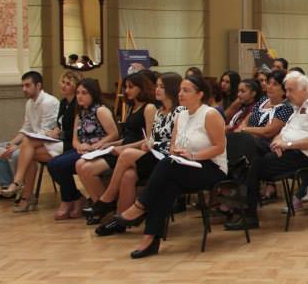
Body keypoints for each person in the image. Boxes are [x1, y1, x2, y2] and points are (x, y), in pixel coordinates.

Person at [109, 75, 228, 258]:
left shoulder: (210, 114)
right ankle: (150, 239)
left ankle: (140, 206)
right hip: (185, 165)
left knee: (166, 166)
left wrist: (193, 156)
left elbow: (219, 147)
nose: (180, 94)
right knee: (167, 185)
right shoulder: (181, 115)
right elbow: (173, 145)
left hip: (211, 167)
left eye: (186, 90)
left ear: (200, 94)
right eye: (180, 90)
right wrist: (177, 152)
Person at [231, 71, 308, 230]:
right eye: (287, 90)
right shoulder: (296, 109)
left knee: (252, 163)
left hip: (303, 156)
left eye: (291, 90)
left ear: (304, 89)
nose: (287, 94)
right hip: (285, 151)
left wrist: (287, 145)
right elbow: (282, 132)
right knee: (248, 151)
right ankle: (243, 209)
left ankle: (248, 214)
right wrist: (277, 143)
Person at [91, 73, 182, 233]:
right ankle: (119, 221)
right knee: (128, 175)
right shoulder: (160, 111)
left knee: (126, 154)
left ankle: (107, 198)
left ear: (171, 89)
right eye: (157, 86)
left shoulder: (180, 112)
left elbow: (178, 141)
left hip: (169, 159)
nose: (157, 89)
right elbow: (153, 137)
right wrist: (148, 144)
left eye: (161, 86)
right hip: (154, 155)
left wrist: (152, 144)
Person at [75, 72, 157, 224]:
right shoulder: (131, 107)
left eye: (131, 87)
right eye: (126, 87)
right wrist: (111, 144)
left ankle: (105, 204)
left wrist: (122, 147)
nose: (127, 90)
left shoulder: (149, 108)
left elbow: (149, 139)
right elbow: (128, 136)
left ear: (141, 88)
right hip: (123, 148)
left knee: (88, 169)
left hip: (137, 151)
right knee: (80, 164)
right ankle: (101, 205)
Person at [3, 71, 77, 211]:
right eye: (63, 82)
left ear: (38, 85)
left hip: (66, 143)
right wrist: (13, 143)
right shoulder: (63, 103)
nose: (63, 86)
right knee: (26, 150)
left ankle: (18, 185)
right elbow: (29, 127)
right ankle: (26, 196)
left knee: (25, 150)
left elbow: (73, 130)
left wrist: (58, 132)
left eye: (68, 83)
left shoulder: (53, 102)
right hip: (50, 140)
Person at [47, 78, 118, 220]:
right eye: (78, 93)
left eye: (84, 93)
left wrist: (96, 145)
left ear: (93, 94)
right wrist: (79, 146)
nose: (80, 96)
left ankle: (73, 200)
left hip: (98, 150)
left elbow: (114, 134)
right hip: (82, 150)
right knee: (53, 164)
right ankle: (75, 197)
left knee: (60, 165)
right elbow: (75, 139)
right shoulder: (80, 113)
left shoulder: (101, 110)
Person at [0, 71, 61, 200]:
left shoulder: (49, 102)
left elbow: (44, 133)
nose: (24, 89)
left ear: (38, 85)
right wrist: (12, 143)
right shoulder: (29, 103)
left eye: (27, 85)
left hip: (44, 143)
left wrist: (19, 147)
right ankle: (7, 188)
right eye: (23, 86)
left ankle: (23, 190)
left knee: (17, 154)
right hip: (30, 140)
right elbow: (26, 128)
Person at [237, 70, 294, 152]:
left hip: (263, 146)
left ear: (284, 89)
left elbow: (267, 132)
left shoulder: (286, 108)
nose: (269, 87)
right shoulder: (263, 100)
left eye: (275, 84)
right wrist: (241, 129)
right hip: (246, 139)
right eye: (268, 83)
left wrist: (244, 130)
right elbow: (246, 120)